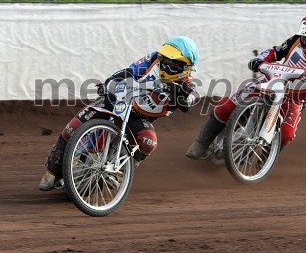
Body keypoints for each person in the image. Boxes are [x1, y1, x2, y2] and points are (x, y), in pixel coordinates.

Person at [39, 36, 200, 191]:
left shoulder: (188, 87)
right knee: (74, 126)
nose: (164, 65)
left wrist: (181, 96)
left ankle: (119, 172)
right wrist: (110, 82)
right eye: (164, 60)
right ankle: (52, 169)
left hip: (137, 118)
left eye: (171, 64)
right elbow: (129, 72)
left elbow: (190, 102)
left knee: (149, 141)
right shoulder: (153, 59)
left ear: (184, 68)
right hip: (119, 100)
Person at [185, 12, 306, 160]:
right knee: (227, 105)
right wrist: (261, 60)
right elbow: (275, 51)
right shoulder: (295, 41)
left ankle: (264, 161)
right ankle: (201, 144)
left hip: (293, 100)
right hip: (271, 83)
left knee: (286, 134)